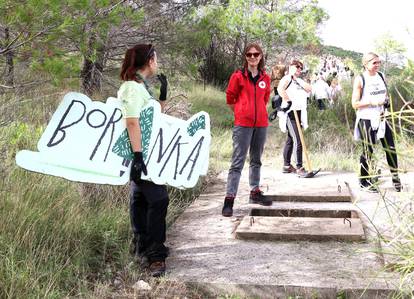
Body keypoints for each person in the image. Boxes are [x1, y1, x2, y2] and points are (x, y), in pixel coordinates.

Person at [118, 44, 170, 277]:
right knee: (158, 200)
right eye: (155, 58)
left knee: (140, 198)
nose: (157, 62)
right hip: (139, 154)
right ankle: (155, 256)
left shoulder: (140, 86)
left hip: (146, 154)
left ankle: (141, 246)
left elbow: (154, 115)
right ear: (149, 60)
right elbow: (132, 122)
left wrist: (163, 94)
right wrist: (138, 157)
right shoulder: (131, 87)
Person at [221, 42, 273, 217]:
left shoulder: (265, 78)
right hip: (243, 125)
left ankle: (255, 192)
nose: (252, 57)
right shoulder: (237, 76)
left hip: (261, 125)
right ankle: (229, 199)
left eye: (256, 54)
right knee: (237, 162)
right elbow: (230, 98)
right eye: (249, 54)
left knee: (256, 160)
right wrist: (240, 112)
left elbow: (265, 99)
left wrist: (257, 113)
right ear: (245, 57)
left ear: (260, 57)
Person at [351, 52, 402, 192]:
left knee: (390, 148)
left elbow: (384, 94)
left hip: (382, 118)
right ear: (365, 64)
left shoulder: (381, 76)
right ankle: (364, 181)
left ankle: (396, 179)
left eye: (379, 62)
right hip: (367, 119)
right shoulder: (360, 79)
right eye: (374, 63)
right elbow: (354, 104)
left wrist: (385, 101)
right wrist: (373, 102)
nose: (377, 65)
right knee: (368, 150)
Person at [277, 59, 312, 176]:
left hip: (299, 113)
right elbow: (280, 89)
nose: (299, 69)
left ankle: (286, 166)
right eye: (297, 67)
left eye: (301, 68)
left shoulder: (298, 80)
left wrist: (297, 79)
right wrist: (288, 101)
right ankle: (299, 167)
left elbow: (309, 88)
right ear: (291, 66)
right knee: (298, 139)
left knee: (291, 139)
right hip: (290, 113)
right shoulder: (287, 78)